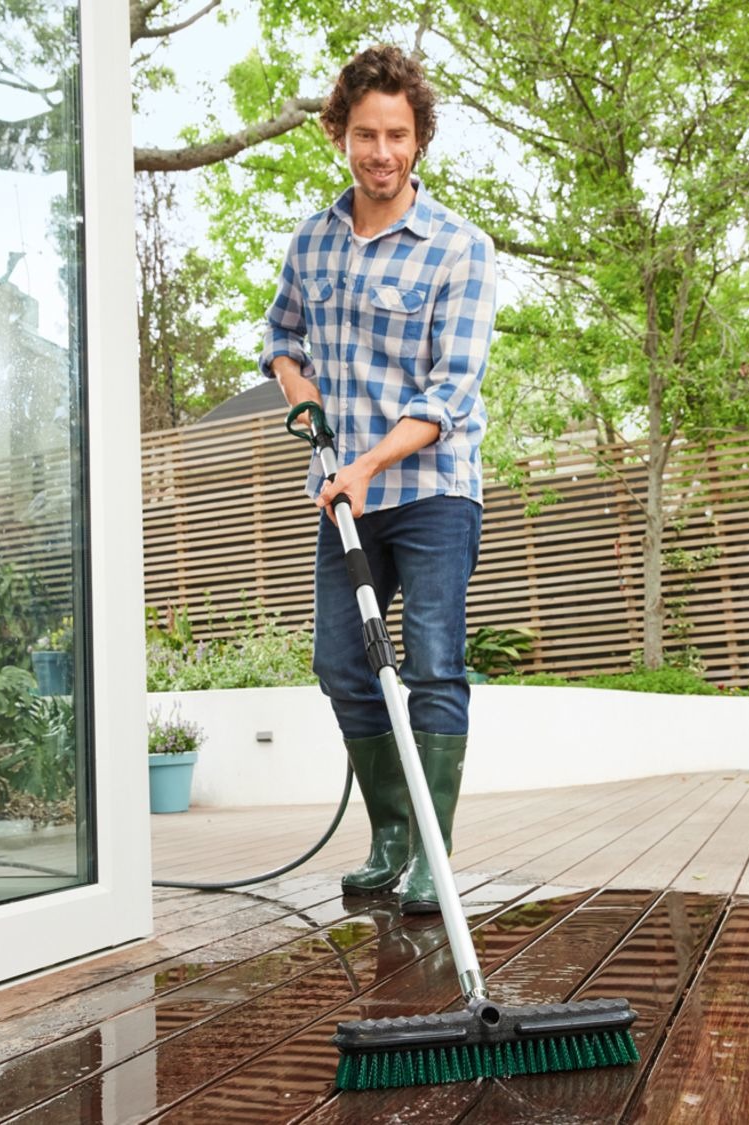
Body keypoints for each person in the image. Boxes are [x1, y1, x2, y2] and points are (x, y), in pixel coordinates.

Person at [259, 44, 497, 913]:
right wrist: (301, 394)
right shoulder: (313, 242)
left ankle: (434, 851)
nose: (382, 152)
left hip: (432, 492)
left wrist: (362, 463)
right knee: (341, 662)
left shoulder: (460, 249)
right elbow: (282, 338)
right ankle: (392, 831)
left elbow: (449, 392)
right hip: (344, 495)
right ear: (340, 134)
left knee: (433, 663)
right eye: (366, 134)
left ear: (419, 138)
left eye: (398, 135)